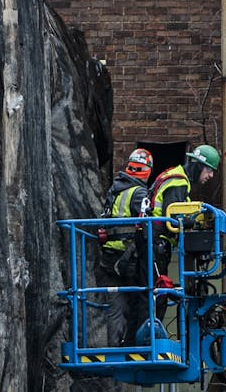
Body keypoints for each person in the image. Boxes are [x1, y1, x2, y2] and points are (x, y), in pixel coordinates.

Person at [150, 144, 220, 321]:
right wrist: (193, 220)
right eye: (209, 170)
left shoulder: (178, 179)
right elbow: (171, 217)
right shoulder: (178, 181)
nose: (211, 176)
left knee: (158, 293)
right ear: (198, 166)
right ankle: (151, 339)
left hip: (154, 242)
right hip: (156, 244)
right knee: (159, 294)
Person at [99, 148, 154, 346]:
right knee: (138, 301)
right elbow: (146, 225)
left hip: (109, 257)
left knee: (115, 307)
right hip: (128, 258)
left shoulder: (114, 190)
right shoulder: (139, 193)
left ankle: (116, 347)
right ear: (147, 171)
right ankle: (133, 346)